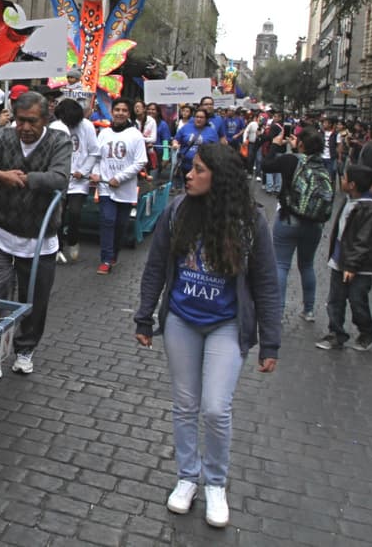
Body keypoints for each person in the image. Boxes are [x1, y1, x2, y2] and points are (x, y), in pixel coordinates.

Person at [134, 143, 281, 529]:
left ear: (220, 177)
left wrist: (271, 342)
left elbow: (266, 282)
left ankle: (216, 483)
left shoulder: (250, 221)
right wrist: (144, 316)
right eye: (191, 168)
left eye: (199, 170)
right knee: (184, 405)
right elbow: (154, 267)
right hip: (182, 319)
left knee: (215, 407)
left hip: (226, 324)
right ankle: (187, 477)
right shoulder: (177, 210)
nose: (189, 175)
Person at [0, 90, 71, 379]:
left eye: (32, 122)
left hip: (40, 240)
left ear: (45, 119)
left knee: (33, 300)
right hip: (1, 233)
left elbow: (60, 178)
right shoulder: (2, 137)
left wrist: (22, 179)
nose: (25, 128)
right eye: (20, 121)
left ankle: (25, 348)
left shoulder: (59, 141)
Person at [260, 128, 333, 320]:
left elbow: (266, 165)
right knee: (307, 265)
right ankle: (308, 310)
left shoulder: (290, 160)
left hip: (288, 219)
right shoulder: (322, 166)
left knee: (281, 264)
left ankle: (279, 310)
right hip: (313, 224)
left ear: (300, 144)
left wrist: (276, 144)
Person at [315, 164, 372, 351]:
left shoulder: (370, 208)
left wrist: (352, 266)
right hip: (340, 259)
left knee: (357, 300)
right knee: (335, 299)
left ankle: (367, 330)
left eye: (344, 178)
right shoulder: (349, 200)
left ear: (352, 184)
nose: (342, 181)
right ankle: (336, 333)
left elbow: (364, 239)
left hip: (359, 266)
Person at [93, 97, 148, 274]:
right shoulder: (104, 134)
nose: (120, 113)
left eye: (124, 110)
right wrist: (95, 172)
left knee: (120, 225)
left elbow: (140, 162)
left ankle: (114, 252)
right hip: (105, 187)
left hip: (126, 188)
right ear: (112, 112)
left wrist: (120, 178)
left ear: (129, 113)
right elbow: (97, 157)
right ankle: (106, 259)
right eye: (117, 110)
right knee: (107, 221)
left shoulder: (135, 135)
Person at [55, 98, 99, 266]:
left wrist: (83, 171)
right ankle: (57, 247)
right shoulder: (58, 126)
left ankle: (73, 240)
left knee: (74, 212)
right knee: (56, 215)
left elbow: (94, 152)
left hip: (79, 180)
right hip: (61, 178)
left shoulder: (87, 126)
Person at [172, 108, 217, 190]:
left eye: (201, 117)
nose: (199, 119)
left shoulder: (211, 131)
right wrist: (175, 144)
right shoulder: (186, 128)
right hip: (186, 165)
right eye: (197, 117)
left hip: (203, 166)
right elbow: (176, 139)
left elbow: (216, 148)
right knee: (188, 187)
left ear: (206, 119)